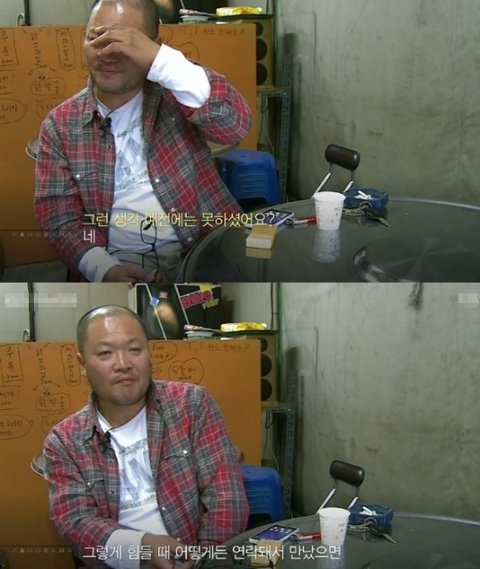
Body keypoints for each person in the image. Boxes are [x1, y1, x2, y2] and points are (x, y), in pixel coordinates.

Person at [34, 0, 252, 283]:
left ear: (154, 47)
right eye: (97, 38)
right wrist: (103, 267)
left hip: (204, 245)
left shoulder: (178, 95)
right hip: (117, 260)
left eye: (126, 42)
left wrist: (162, 62)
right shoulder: (60, 125)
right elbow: (59, 215)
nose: (108, 53)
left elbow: (235, 126)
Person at [43, 305, 249, 569]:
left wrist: (204, 559)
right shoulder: (64, 441)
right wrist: (142, 546)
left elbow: (226, 496)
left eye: (134, 350)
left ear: (148, 353)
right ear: (82, 364)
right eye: (105, 353)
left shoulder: (192, 405)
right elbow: (76, 521)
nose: (123, 364)